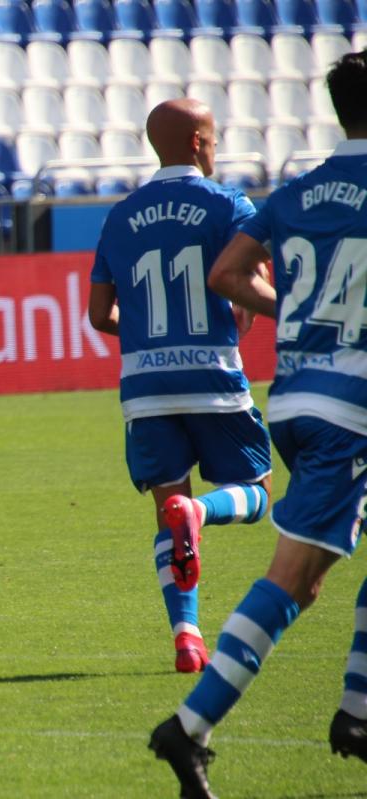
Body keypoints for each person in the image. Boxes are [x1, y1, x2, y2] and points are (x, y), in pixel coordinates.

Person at [148, 50, 367, 798]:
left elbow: (228, 275)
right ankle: (188, 726)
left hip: (296, 396)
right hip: (352, 408)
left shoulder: (297, 192)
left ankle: (359, 712)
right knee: (291, 578)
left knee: (304, 583)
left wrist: (300, 317)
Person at [88, 98, 274, 675]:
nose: (216, 148)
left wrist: (142, 333)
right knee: (257, 492)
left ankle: (187, 637)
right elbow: (254, 277)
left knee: (165, 509)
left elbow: (98, 315)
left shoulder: (120, 215)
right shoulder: (229, 205)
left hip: (145, 386)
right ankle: (199, 510)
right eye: (214, 137)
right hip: (212, 376)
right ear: (197, 141)